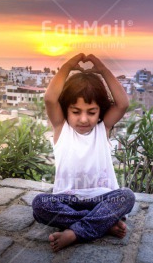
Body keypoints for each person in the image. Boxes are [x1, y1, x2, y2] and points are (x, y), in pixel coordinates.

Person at [32, 53, 135, 252]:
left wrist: (103, 70)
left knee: (127, 196)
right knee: (40, 205)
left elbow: (122, 104)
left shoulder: (102, 128)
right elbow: (50, 99)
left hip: (102, 200)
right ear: (66, 110)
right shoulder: (62, 128)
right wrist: (68, 66)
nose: (84, 119)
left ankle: (74, 232)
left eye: (91, 111)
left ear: (100, 111)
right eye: (76, 111)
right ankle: (102, 225)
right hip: (68, 201)